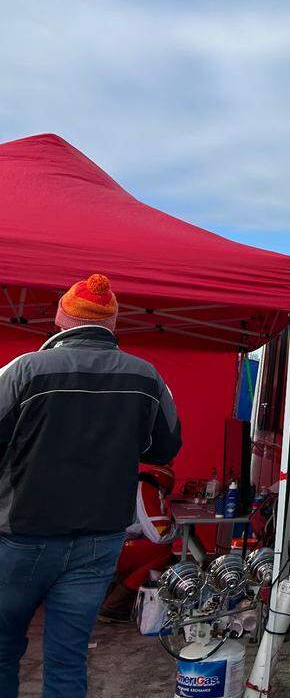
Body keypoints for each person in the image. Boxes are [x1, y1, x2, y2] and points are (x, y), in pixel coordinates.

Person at [0, 274, 181, 697]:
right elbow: (165, 446)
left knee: (3, 649)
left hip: (24, 533)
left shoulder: (24, 369)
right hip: (99, 537)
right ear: (112, 323)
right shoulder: (146, 376)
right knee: (68, 657)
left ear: (61, 317)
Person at [98, 464, 178, 623]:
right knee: (162, 551)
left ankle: (116, 598)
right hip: (109, 547)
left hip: (103, 545)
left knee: (149, 549)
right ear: (163, 486)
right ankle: (114, 606)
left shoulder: (133, 485)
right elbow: (159, 535)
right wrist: (179, 529)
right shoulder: (146, 489)